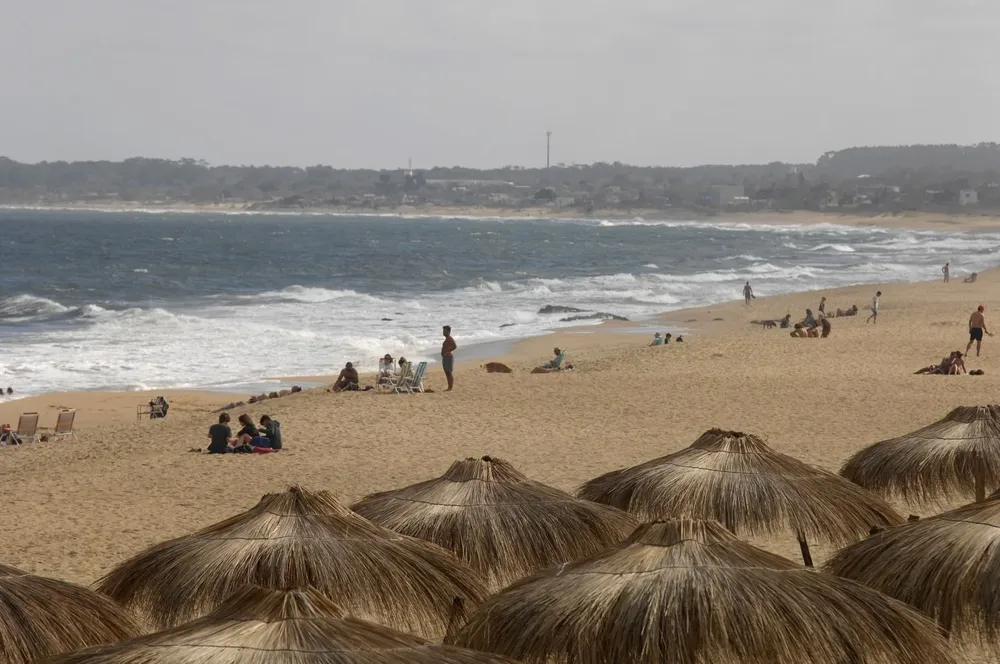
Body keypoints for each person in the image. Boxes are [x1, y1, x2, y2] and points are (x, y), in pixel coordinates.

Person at [441, 325, 457, 391]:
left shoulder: (450, 338)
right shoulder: (447, 339)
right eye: (443, 331)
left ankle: (450, 387)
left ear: (448, 332)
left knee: (449, 372)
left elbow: (455, 346)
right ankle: (449, 387)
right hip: (445, 358)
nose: (443, 332)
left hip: (449, 357)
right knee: (447, 373)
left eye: (445, 331)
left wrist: (448, 351)